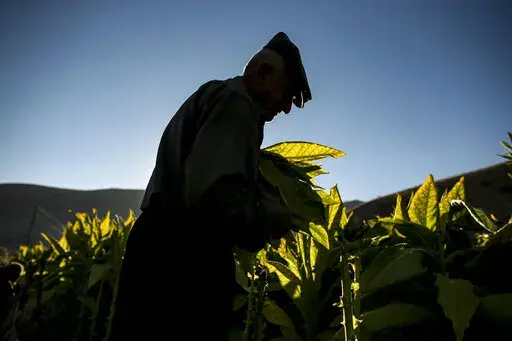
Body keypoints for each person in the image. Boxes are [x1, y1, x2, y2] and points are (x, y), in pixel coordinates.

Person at [108, 32, 312, 340]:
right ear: (263, 73)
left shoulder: (212, 94)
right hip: (183, 262)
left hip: (156, 247)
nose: (285, 108)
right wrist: (272, 216)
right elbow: (215, 197)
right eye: (287, 94)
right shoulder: (237, 104)